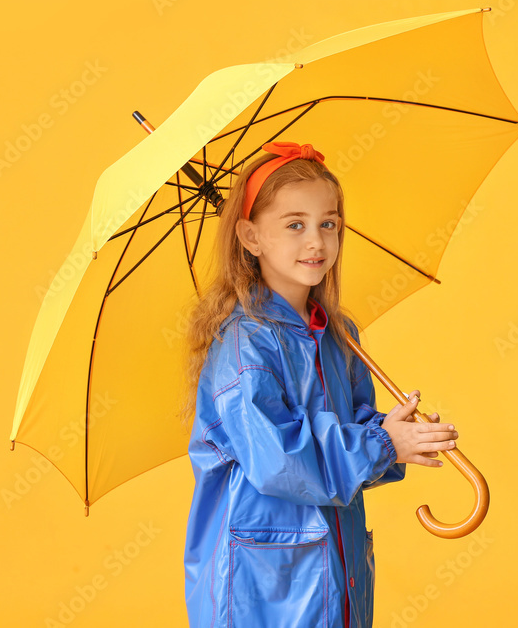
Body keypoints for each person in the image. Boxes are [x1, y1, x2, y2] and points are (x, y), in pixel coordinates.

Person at [179, 141, 459, 627]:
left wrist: (395, 434)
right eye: (294, 225)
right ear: (250, 236)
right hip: (265, 582)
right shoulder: (245, 346)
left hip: (336, 566)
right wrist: (381, 443)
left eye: (328, 223)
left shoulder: (338, 334)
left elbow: (353, 427)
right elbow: (279, 459)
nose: (316, 242)